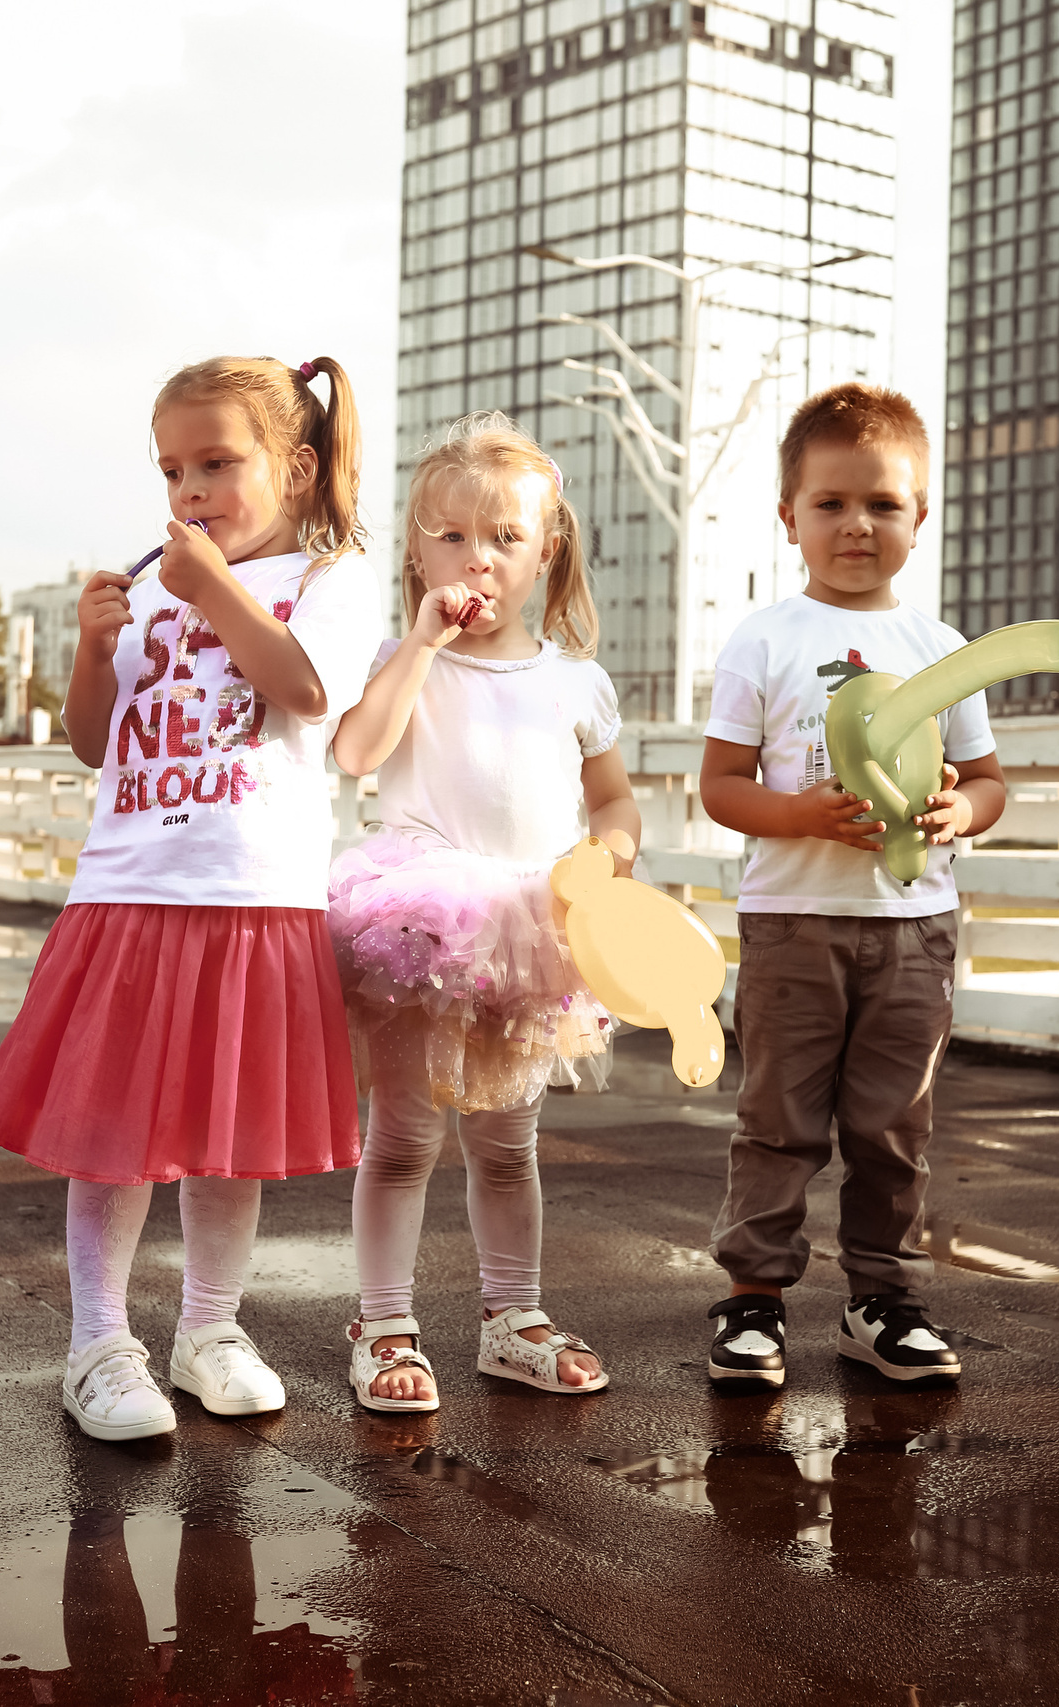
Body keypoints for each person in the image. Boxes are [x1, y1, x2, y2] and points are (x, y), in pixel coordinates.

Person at [0, 356, 382, 1442]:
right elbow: (91, 740)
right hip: (132, 887)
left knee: (225, 1135)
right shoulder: (153, 587)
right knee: (110, 1133)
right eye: (171, 470)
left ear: (296, 468)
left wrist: (213, 591)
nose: (189, 490)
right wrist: (94, 647)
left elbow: (308, 691)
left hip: (258, 896)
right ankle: (98, 1343)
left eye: (216, 463)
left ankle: (210, 1327)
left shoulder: (331, 579)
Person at [695, 383, 1006, 1389]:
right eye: (830, 503)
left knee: (893, 1124)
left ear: (921, 517)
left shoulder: (943, 650)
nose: (857, 524)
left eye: (882, 503)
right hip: (792, 919)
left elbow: (989, 781)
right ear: (789, 517)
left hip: (914, 926)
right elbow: (721, 786)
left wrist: (961, 811)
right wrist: (804, 814)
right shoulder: (764, 639)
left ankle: (883, 1299)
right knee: (777, 1119)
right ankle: (753, 1296)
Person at [324, 413, 637, 1412]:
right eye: (452, 536)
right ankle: (383, 1322)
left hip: (531, 922)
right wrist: (423, 639)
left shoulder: (575, 680)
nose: (479, 558)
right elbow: (355, 752)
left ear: (546, 552)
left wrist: (610, 853)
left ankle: (514, 1316)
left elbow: (614, 801)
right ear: (418, 554)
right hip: (419, 920)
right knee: (403, 1138)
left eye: (505, 537)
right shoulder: (402, 656)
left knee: (508, 1144)